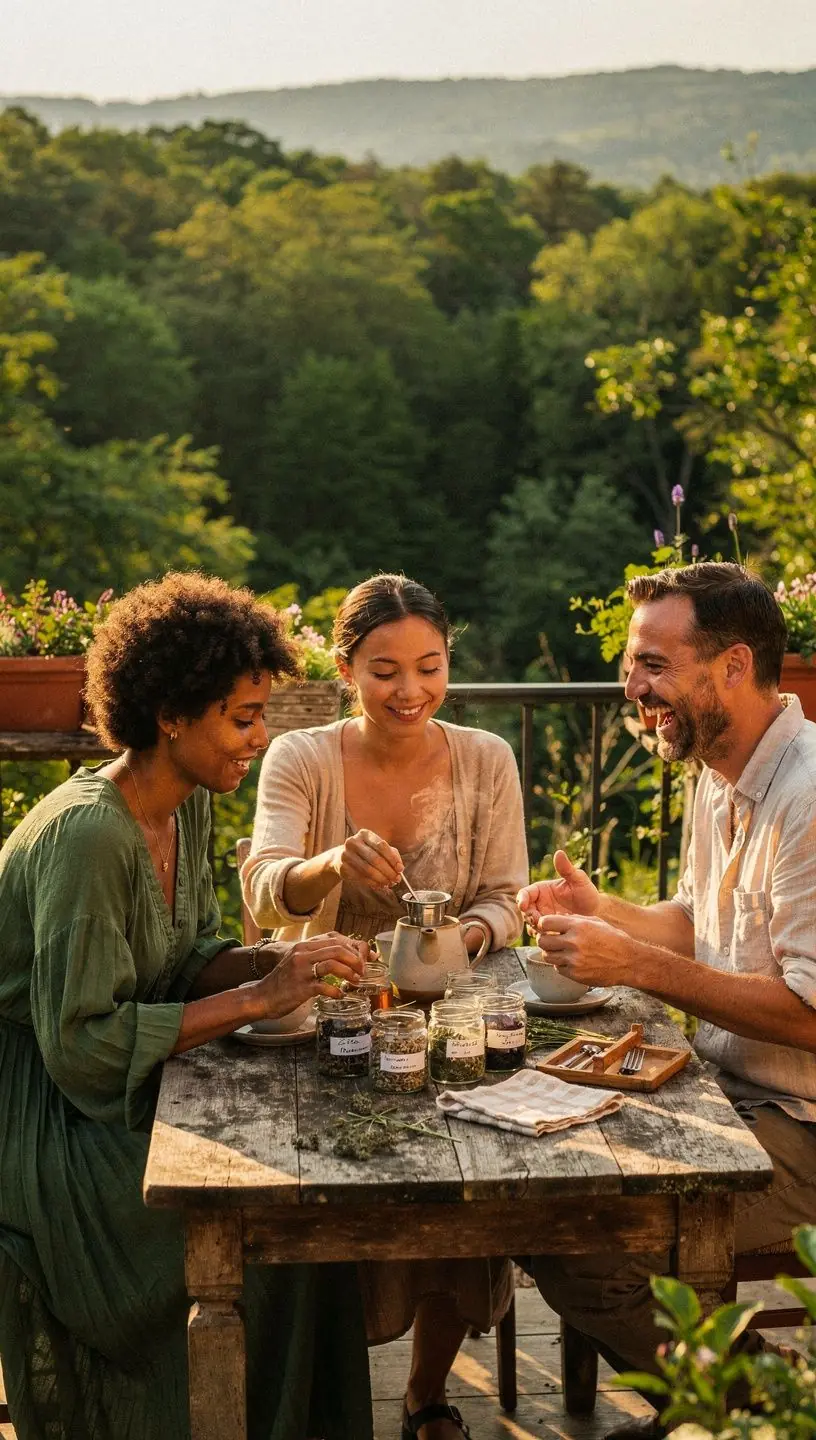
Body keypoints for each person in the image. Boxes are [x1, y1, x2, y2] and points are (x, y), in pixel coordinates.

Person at [0, 572, 374, 1440]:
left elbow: (185, 955)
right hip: (49, 1124)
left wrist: (284, 958)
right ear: (170, 716)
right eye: (242, 718)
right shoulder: (91, 837)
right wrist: (256, 996)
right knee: (269, 1240)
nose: (260, 737)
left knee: (311, 1210)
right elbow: (82, 1044)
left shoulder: (190, 803)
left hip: (110, 1087)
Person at [518, 561, 816, 1439]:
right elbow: (695, 923)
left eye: (653, 663)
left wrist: (632, 966)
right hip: (728, 1099)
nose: (632, 687)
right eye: (629, 663)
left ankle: (763, 1418)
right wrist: (603, 915)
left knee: (584, 1242)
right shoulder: (719, 770)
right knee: (536, 1186)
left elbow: (810, 1014)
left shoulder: (809, 797)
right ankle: (726, 1406)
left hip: (800, 1125)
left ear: (731, 665)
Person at [242, 573, 529, 1440]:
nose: (410, 691)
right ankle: (325, 1400)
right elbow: (262, 891)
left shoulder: (486, 759)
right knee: (331, 1203)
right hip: (318, 1024)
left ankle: (425, 1395)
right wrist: (328, 866)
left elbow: (509, 898)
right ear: (345, 670)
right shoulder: (301, 757)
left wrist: (456, 940)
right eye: (384, 671)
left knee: (464, 1201)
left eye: (430, 668)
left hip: (444, 1020)